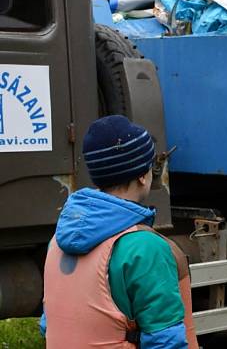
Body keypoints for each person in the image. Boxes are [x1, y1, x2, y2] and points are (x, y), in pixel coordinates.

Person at [41, 115, 198, 349]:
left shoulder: (57, 241)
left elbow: (49, 324)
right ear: (143, 176)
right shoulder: (144, 248)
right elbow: (166, 342)